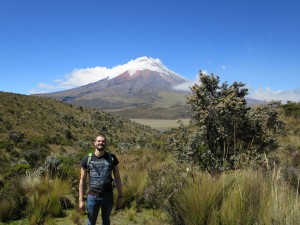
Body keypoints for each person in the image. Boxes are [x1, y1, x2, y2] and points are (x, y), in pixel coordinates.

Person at [79, 134, 123, 225]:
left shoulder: (112, 158)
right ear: (94, 143)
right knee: (91, 222)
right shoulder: (87, 159)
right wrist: (81, 200)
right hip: (92, 197)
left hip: (108, 197)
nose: (101, 143)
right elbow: (82, 180)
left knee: (106, 221)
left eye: (103, 141)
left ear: (105, 143)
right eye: (99, 141)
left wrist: (120, 196)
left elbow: (117, 177)